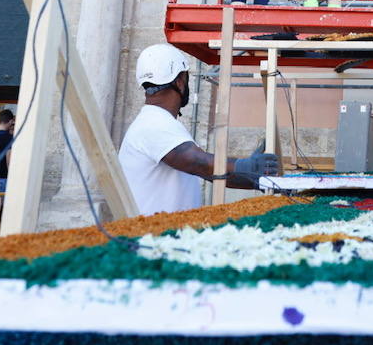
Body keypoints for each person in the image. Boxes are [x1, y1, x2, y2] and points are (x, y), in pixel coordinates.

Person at [118, 43, 280, 216]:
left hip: (163, 236)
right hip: (152, 239)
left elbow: (210, 172)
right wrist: (246, 166)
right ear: (180, 82)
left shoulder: (155, 122)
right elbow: (198, 162)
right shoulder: (154, 124)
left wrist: (252, 178)